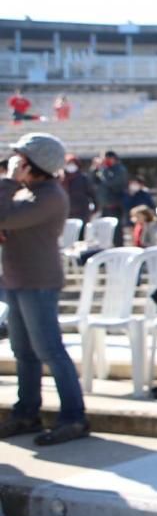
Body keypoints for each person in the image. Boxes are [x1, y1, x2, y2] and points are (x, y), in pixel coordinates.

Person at [0, 133, 91, 445]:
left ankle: (74, 417)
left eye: (20, 160)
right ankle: (27, 412)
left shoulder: (50, 194)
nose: (14, 165)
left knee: (50, 350)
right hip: (16, 280)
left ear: (33, 163)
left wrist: (10, 181)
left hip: (38, 283)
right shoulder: (26, 193)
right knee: (23, 353)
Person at [91, 150, 128, 246]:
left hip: (115, 205)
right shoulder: (104, 170)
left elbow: (110, 183)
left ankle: (118, 247)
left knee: (116, 230)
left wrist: (103, 169)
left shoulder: (120, 170)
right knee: (105, 229)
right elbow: (92, 182)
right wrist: (95, 169)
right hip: (104, 205)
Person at [60, 154, 94, 222]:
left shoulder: (83, 178)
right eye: (69, 164)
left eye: (73, 164)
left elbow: (92, 193)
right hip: (66, 212)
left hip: (81, 212)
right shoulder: (61, 178)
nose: (71, 166)